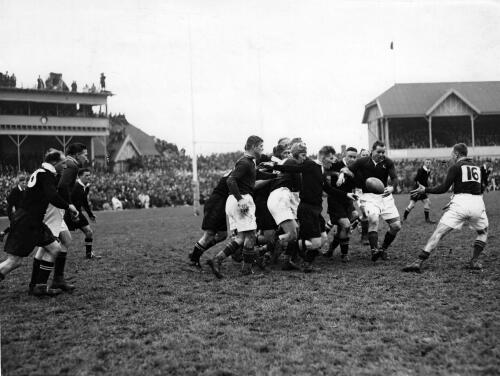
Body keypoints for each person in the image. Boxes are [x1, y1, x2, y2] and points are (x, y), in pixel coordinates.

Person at [266, 145, 357, 272]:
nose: (333, 160)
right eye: (331, 158)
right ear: (323, 157)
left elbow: (328, 189)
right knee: (315, 243)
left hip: (316, 210)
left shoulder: (320, 169)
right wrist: (274, 166)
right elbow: (293, 168)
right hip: (307, 210)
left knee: (323, 239)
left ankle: (288, 253)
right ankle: (282, 250)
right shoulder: (311, 165)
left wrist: (347, 194)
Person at [0, 150, 78, 296]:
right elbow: (52, 196)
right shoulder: (45, 175)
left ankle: (40, 288)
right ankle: (39, 287)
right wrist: (69, 206)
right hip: (27, 222)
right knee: (14, 261)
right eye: (63, 163)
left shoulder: (42, 173)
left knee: (54, 248)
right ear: (54, 163)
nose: (65, 166)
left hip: (32, 220)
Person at [403, 143, 489, 273]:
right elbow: (477, 188)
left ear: (456, 154)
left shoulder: (455, 167)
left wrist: (425, 189)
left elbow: (443, 188)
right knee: (483, 232)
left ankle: (418, 262)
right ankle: (474, 261)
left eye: (452, 154)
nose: (451, 156)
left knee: (439, 233)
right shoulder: (476, 167)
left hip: (460, 204)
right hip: (477, 203)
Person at [207, 135, 275, 277]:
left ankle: (217, 260)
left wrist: (273, 175)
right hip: (241, 199)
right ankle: (246, 271)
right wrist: (240, 199)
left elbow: (255, 175)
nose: (263, 149)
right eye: (261, 146)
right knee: (250, 236)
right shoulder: (245, 162)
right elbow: (231, 180)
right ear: (254, 146)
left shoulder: (249, 162)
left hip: (235, 200)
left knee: (242, 237)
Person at [33, 143, 88, 292]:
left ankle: (57, 279)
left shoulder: (69, 164)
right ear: (77, 155)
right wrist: (70, 206)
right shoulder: (72, 165)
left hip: (57, 207)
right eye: (85, 154)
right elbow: (62, 185)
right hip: (54, 208)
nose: (86, 158)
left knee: (65, 240)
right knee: (49, 245)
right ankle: (38, 283)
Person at [347, 141, 401, 262]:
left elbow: (395, 178)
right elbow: (347, 169)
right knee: (373, 219)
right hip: (369, 197)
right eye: (379, 152)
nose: (382, 154)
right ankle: (374, 250)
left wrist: (392, 187)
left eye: (383, 152)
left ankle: (383, 249)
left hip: (385, 196)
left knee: (396, 226)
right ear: (372, 151)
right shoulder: (362, 161)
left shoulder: (388, 162)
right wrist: (341, 175)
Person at [267, 142, 304, 270]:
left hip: (278, 196)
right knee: (293, 233)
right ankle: (263, 252)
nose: (305, 158)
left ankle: (286, 260)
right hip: (281, 197)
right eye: (303, 155)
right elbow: (299, 187)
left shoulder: (282, 164)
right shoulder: (292, 162)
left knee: (294, 230)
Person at [189, 171, 231, 268]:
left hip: (220, 205)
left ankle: (197, 252)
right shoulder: (239, 171)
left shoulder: (235, 170)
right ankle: (194, 259)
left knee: (222, 235)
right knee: (209, 234)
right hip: (216, 204)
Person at [324, 147, 359, 261]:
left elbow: (357, 183)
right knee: (346, 225)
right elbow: (328, 174)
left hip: (348, 201)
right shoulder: (335, 164)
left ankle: (330, 249)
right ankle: (344, 254)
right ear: (344, 154)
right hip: (335, 201)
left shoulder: (355, 168)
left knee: (353, 217)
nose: (352, 159)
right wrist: (341, 174)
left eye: (354, 157)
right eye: (350, 156)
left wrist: (350, 174)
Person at [64, 168, 99, 259]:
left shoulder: (86, 187)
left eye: (89, 175)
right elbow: (68, 200)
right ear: (79, 176)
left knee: (89, 232)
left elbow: (84, 202)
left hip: (78, 212)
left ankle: (88, 254)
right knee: (60, 235)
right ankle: (50, 250)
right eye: (86, 175)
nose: (88, 177)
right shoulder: (75, 186)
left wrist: (90, 214)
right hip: (69, 213)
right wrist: (72, 213)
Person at [403, 159, 435, 223]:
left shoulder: (428, 170)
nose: (428, 163)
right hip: (417, 189)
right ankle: (404, 218)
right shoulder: (421, 169)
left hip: (422, 189)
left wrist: (426, 189)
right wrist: (420, 186)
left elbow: (425, 181)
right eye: (427, 162)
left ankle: (427, 219)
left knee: (427, 202)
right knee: (412, 205)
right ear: (424, 163)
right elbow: (416, 179)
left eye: (429, 162)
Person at [0, 174, 27, 242]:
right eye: (23, 183)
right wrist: (13, 207)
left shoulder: (23, 190)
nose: (24, 184)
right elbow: (9, 199)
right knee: (17, 225)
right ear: (19, 182)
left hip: (19, 211)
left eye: (25, 183)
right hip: (12, 211)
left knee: (16, 225)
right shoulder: (15, 190)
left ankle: (3, 233)